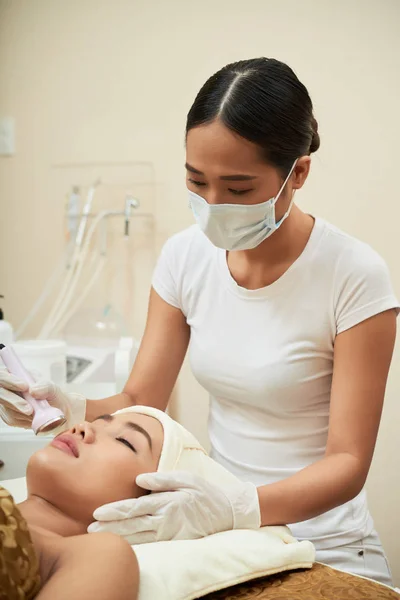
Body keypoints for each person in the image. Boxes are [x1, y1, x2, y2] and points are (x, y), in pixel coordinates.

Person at [0, 57, 398, 585]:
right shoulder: (185, 258)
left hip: (323, 538)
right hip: (219, 534)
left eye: (237, 189)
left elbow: (347, 462)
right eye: (196, 181)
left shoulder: (354, 275)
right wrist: (69, 404)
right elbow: (140, 398)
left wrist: (237, 505)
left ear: (297, 173)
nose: (213, 205)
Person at [0, 405, 256, 599]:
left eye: (124, 441)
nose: (82, 428)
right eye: (96, 423)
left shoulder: (99, 556)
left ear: (152, 503)